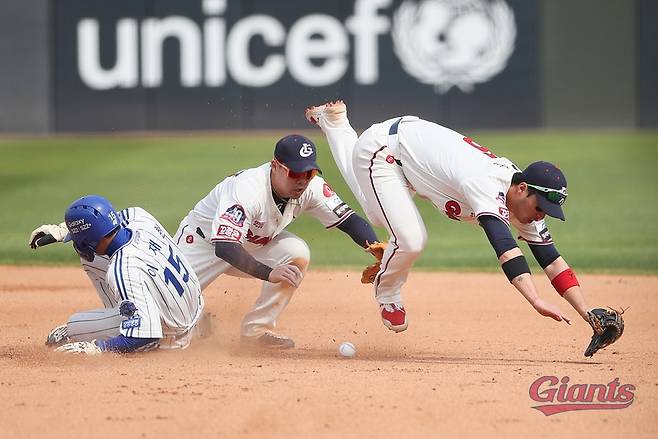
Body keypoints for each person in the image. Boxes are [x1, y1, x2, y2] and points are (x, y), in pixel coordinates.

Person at [305, 100, 594, 333]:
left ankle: (336, 124)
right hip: (385, 149)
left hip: (413, 154)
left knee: (377, 212)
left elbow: (552, 261)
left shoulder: (523, 203)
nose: (541, 216)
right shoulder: (486, 182)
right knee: (410, 238)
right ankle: (388, 291)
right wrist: (536, 300)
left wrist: (587, 313)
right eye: (541, 207)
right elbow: (505, 248)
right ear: (521, 189)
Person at [173, 134, 381, 349]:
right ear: (276, 166)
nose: (303, 179)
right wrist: (268, 272)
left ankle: (256, 331)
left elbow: (349, 221)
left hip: (251, 246)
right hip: (201, 244)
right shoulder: (248, 189)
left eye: (309, 173)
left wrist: (374, 247)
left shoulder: (312, 188)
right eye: (296, 172)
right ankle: (195, 322)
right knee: (165, 322)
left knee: (296, 252)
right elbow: (225, 246)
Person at [29, 195, 206, 355]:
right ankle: (133, 315)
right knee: (96, 259)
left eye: (79, 240)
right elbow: (107, 220)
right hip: (193, 307)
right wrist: (66, 229)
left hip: (171, 336)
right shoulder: (139, 217)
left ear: (89, 240)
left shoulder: (123, 270)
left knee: (76, 327)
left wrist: (99, 347)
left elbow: (146, 335)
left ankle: (133, 330)